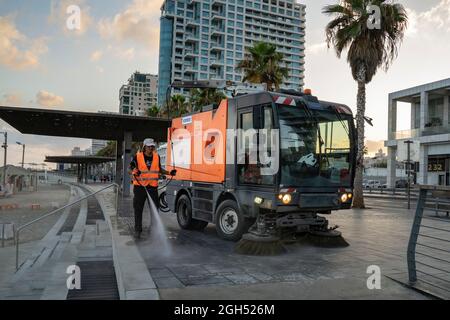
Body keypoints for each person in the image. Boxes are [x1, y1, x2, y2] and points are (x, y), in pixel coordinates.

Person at [129, 138, 176, 239]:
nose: (151, 148)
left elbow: (159, 169)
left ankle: (153, 229)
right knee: (138, 209)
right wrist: (134, 170)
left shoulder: (156, 156)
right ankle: (138, 230)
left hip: (152, 187)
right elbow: (131, 168)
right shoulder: (138, 156)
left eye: (152, 146)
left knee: (155, 209)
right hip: (140, 187)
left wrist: (169, 173)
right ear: (144, 147)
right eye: (149, 146)